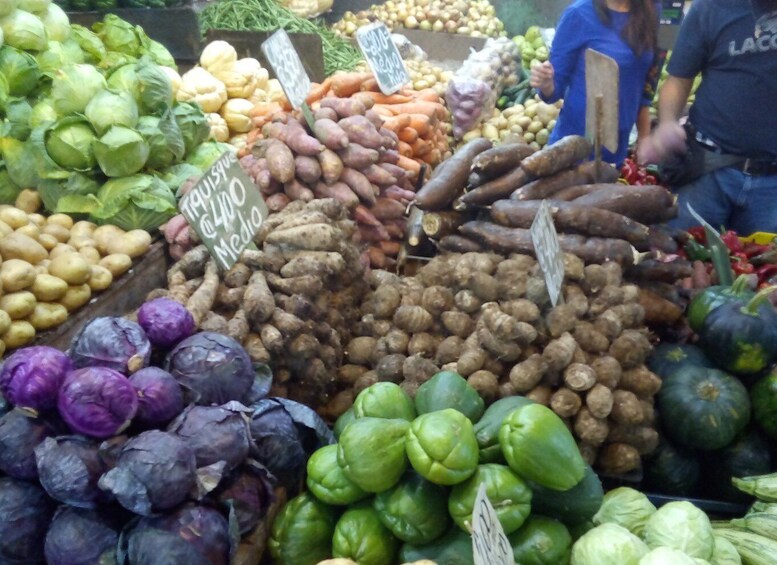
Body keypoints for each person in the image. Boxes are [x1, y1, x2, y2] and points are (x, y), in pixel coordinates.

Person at [638, 0, 777, 235]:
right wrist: (668, 122)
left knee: (760, 267)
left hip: (771, 185)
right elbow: (679, 81)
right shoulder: (711, 8)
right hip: (708, 171)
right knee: (678, 259)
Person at [530, 0, 659, 166]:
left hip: (616, 152)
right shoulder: (579, 14)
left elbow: (645, 85)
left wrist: (644, 136)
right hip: (573, 154)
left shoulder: (649, 10)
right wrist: (546, 83)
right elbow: (554, 91)